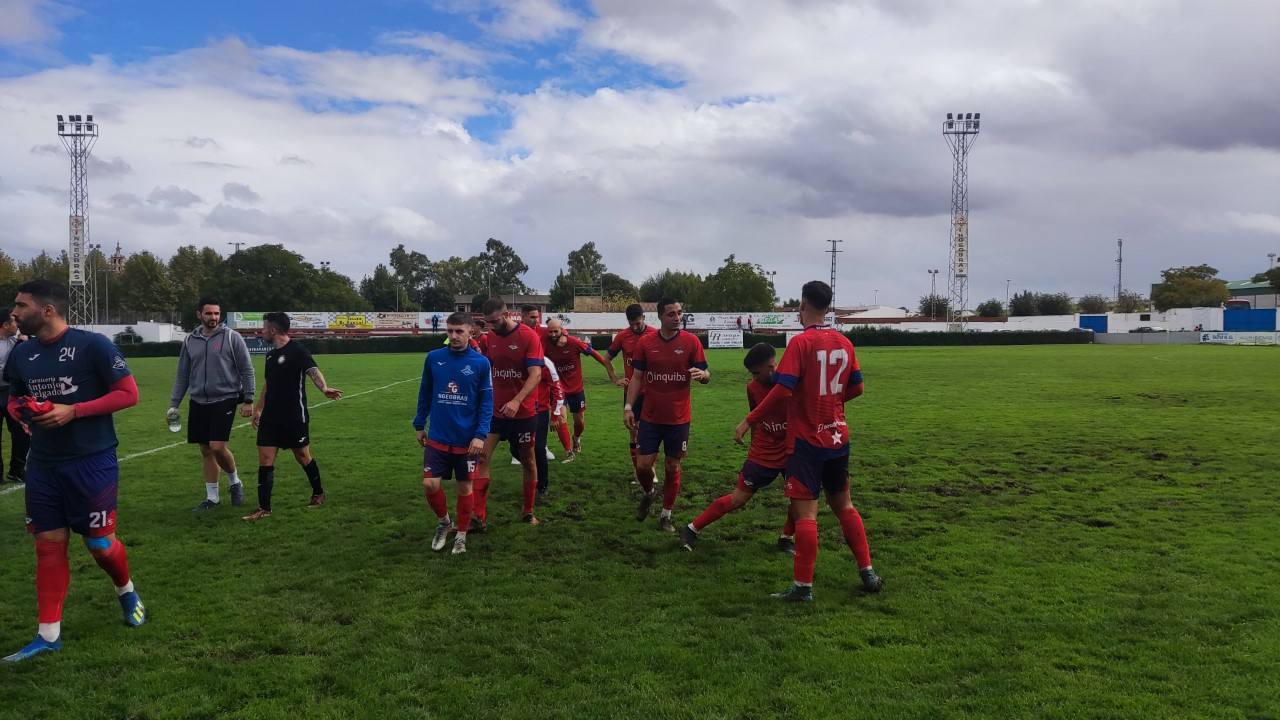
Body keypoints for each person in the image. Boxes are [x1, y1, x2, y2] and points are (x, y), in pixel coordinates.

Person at [3, 280, 145, 662]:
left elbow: (129, 394)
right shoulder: (22, 353)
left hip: (92, 460)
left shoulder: (92, 345)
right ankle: (48, 635)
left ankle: (125, 589)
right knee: (48, 545)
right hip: (44, 464)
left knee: (99, 544)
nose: (13, 312)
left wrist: (73, 410)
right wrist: (25, 412)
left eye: (21, 305)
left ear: (47, 310)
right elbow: (15, 397)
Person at [734, 280, 883, 602]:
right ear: (828, 307)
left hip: (806, 441)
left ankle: (803, 588)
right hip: (838, 436)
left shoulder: (801, 345)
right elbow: (857, 388)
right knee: (844, 505)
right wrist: (831, 402)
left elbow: (782, 390)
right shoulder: (844, 342)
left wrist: (750, 419)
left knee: (806, 515)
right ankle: (867, 571)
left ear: (803, 306)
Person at [680, 343, 795, 553]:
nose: (754, 377)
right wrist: (756, 444)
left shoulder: (792, 383)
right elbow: (757, 413)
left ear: (772, 367)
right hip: (764, 451)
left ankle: (786, 538)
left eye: (756, 373)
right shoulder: (753, 387)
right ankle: (691, 528)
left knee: (799, 499)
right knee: (738, 498)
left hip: (793, 449)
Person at [241, 312, 342, 521]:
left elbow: (313, 370)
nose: (262, 331)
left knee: (303, 456)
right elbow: (268, 386)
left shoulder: (297, 351)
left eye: (264, 327)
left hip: (294, 417)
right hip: (270, 419)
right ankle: (264, 508)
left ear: (273, 330)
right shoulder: (269, 356)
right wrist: (259, 409)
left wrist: (324, 388)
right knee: (265, 459)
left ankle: (318, 493)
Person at [624, 297, 709, 532]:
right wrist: (629, 407)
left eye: (680, 312)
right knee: (643, 466)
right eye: (671, 314)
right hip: (651, 416)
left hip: (678, 418)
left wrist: (704, 376)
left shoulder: (691, 342)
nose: (677, 317)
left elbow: (705, 371)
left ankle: (666, 515)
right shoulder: (646, 343)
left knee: (673, 467)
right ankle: (650, 493)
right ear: (660, 316)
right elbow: (637, 378)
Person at [414, 312, 493, 555]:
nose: (454, 336)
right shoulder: (434, 358)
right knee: (429, 484)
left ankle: (461, 534)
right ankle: (444, 523)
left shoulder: (480, 363)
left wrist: (480, 435)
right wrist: (419, 424)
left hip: (467, 441)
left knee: (465, 488)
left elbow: (486, 403)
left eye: (459, 331)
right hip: (438, 436)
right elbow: (425, 392)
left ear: (471, 331)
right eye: (450, 331)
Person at [169, 298, 256, 511]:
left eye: (216, 313)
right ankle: (212, 498)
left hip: (225, 397)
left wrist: (249, 399)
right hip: (198, 400)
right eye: (209, 313)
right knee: (206, 450)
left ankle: (235, 482)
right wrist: (174, 404)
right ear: (199, 314)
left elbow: (247, 369)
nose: (213, 318)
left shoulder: (231, 337)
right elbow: (183, 374)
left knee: (217, 446)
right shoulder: (190, 340)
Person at [473, 298, 544, 528]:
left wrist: (516, 400)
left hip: (522, 412)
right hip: (495, 411)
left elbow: (536, 375)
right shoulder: (490, 337)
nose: (492, 326)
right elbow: (486, 367)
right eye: (488, 323)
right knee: (481, 456)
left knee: (528, 460)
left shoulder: (528, 337)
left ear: (507, 314)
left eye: (495, 321)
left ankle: (528, 511)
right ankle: (478, 516)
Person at [544, 318, 621, 461]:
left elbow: (594, 353)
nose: (553, 334)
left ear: (562, 330)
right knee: (561, 419)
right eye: (550, 332)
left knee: (579, 422)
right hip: (558, 390)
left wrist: (607, 366)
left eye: (556, 331)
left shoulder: (574, 342)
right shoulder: (546, 345)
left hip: (576, 389)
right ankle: (568, 452)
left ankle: (576, 438)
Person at [607, 304, 656, 483]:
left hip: (651, 392)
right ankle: (638, 471)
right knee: (634, 432)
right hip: (632, 393)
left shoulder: (653, 334)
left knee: (650, 432)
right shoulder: (622, 336)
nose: (635, 327)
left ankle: (651, 469)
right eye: (632, 324)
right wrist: (614, 378)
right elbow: (607, 358)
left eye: (638, 323)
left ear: (644, 318)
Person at [0, 306, 30, 484]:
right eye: (13, 321)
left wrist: (22, 342)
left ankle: (17, 470)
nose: (16, 324)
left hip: (11, 392)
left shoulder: (16, 341)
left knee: (21, 433)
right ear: (5, 324)